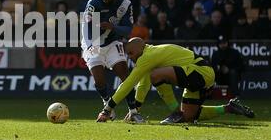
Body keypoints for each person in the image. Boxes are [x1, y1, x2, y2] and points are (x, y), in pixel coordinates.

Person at [96, 38, 255, 124]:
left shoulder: (147, 56)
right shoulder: (149, 57)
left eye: (130, 53)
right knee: (189, 117)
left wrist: (108, 108)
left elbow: (129, 83)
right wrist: (135, 109)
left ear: (141, 47)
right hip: (199, 75)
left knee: (156, 76)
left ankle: (175, 113)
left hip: (200, 70)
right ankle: (229, 107)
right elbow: (143, 83)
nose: (129, 57)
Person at [81, 0, 143, 123]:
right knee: (99, 80)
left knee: (125, 76)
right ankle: (108, 106)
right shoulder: (94, 3)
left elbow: (128, 30)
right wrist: (91, 47)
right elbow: (87, 28)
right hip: (93, 42)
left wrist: (113, 27)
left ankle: (133, 112)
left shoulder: (125, 5)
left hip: (112, 42)